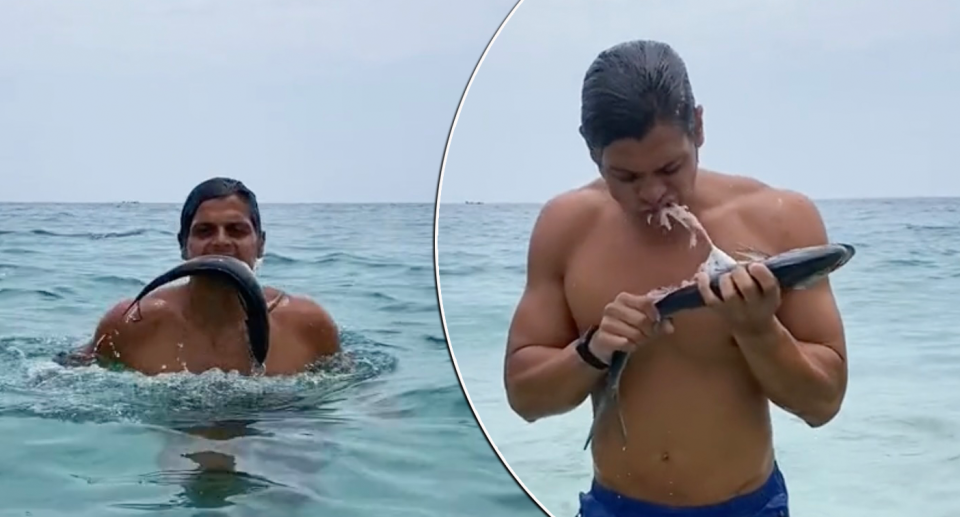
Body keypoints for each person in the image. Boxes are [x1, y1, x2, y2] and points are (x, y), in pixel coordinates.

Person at [503, 40, 848, 517]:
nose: (652, 192)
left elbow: (823, 403)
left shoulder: (781, 221)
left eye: (670, 167)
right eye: (624, 176)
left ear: (699, 128)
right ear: (591, 150)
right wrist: (596, 347)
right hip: (615, 506)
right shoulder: (565, 227)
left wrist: (758, 330)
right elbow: (525, 398)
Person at [72, 177, 340, 376]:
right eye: (204, 231)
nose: (221, 242)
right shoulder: (130, 321)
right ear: (183, 245)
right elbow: (67, 375)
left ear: (261, 244)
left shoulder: (308, 325)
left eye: (236, 230)